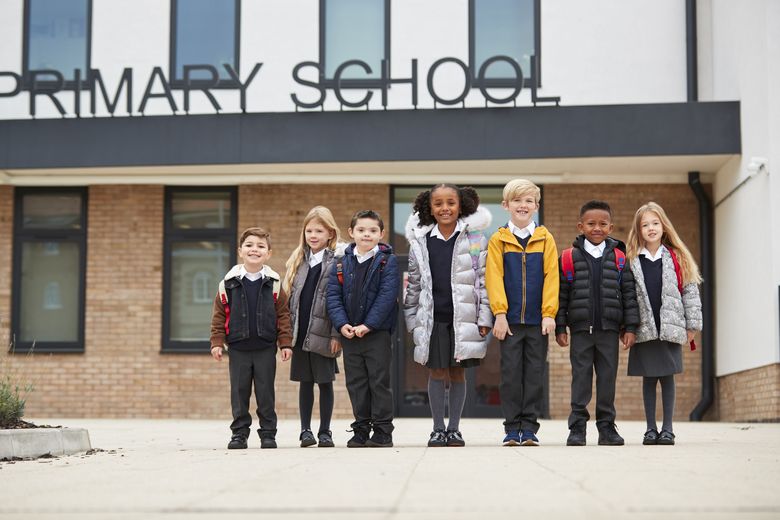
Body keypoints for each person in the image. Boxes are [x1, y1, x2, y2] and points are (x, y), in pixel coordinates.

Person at [404, 184, 493, 447]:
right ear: (429, 208)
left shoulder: (475, 240)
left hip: (463, 319)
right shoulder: (420, 242)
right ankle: (437, 429)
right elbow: (414, 285)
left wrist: (485, 317)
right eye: (439, 203)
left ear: (461, 205)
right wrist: (412, 319)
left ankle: (454, 429)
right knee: (437, 372)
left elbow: (483, 281)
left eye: (451, 203)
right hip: (433, 320)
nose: (445, 208)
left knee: (457, 374)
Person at [555, 200, 639, 446]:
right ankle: (577, 428)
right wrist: (561, 327)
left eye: (603, 224)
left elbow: (629, 296)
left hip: (609, 331)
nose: (597, 228)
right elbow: (561, 296)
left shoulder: (620, 259)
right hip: (580, 331)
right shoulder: (568, 258)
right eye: (591, 224)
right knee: (580, 379)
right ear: (580, 226)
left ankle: (606, 428)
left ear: (611, 227)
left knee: (607, 380)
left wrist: (630, 327)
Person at [485, 179, 559, 446]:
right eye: (517, 200)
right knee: (511, 376)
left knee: (534, 375)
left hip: (538, 322)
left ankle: (529, 429)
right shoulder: (499, 240)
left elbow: (552, 277)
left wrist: (549, 313)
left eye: (528, 201)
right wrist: (500, 314)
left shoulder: (545, 238)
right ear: (506, 205)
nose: (523, 205)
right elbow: (494, 277)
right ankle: (511, 428)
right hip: (511, 322)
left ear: (536, 206)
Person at [625, 202, 702, 446]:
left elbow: (690, 292)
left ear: (663, 226)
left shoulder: (677, 257)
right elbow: (626, 295)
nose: (651, 228)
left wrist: (692, 326)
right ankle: (650, 429)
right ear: (638, 230)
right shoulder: (632, 259)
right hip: (645, 329)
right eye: (645, 225)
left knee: (667, 377)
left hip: (670, 327)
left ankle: (667, 429)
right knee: (648, 378)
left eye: (655, 223)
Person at [210, 227, 292, 450]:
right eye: (249, 245)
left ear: (268, 253)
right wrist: (217, 343)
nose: (254, 249)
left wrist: (285, 342)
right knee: (239, 392)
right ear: (240, 251)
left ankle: (268, 433)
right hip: (237, 347)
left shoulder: (274, 283)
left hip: (265, 347)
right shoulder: (228, 283)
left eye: (260, 246)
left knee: (266, 393)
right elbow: (219, 316)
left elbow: (283, 315)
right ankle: (239, 434)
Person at [326, 210, 399, 448]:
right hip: (350, 334)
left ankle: (382, 431)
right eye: (361, 230)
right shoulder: (340, 262)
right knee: (356, 383)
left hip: (376, 334)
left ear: (381, 234)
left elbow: (387, 297)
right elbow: (333, 297)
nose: (366, 234)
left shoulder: (387, 261)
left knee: (378, 382)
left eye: (372, 230)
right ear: (351, 233)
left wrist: (368, 325)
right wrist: (342, 324)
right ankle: (361, 428)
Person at [283, 206, 345, 448]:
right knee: (305, 383)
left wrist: (336, 333)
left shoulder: (338, 261)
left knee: (325, 383)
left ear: (330, 233)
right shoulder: (298, 261)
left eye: (319, 230)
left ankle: (325, 431)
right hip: (300, 334)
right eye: (309, 230)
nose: (313, 235)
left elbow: (339, 301)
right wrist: (287, 337)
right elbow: (290, 303)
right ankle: (305, 431)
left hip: (324, 334)